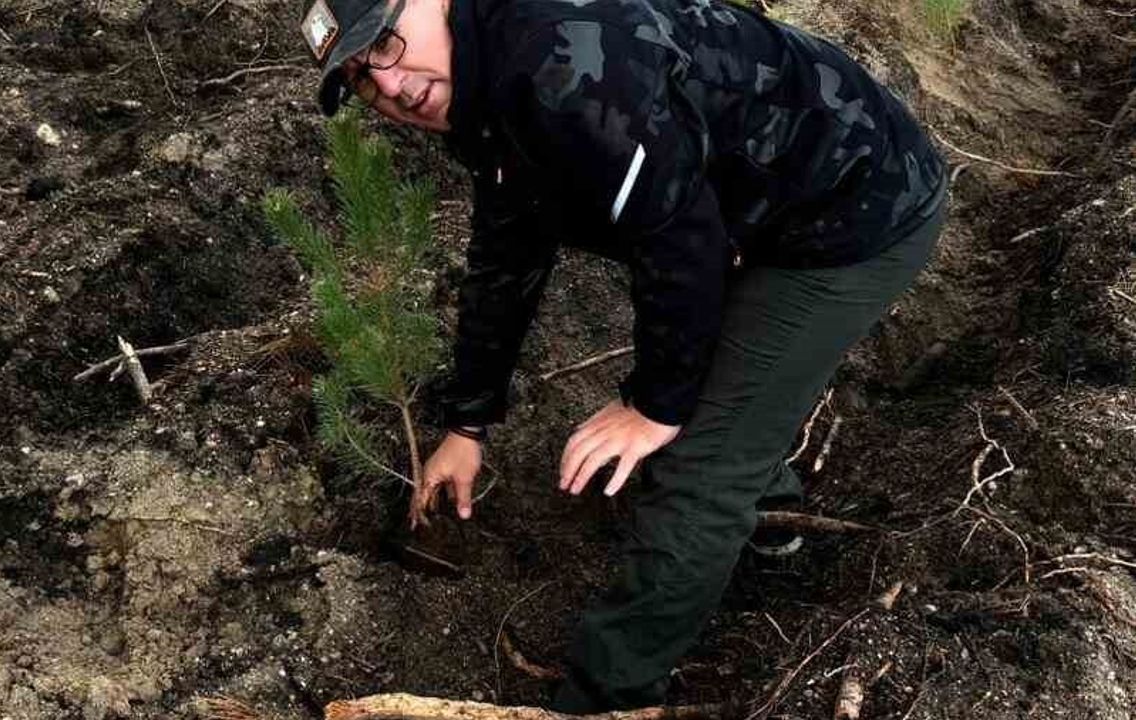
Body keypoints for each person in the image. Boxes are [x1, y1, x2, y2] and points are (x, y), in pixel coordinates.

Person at [298, 0, 947, 711]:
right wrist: (468, 423)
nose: (388, 86)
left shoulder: (564, 66)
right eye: (362, 80)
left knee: (696, 470)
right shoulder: (484, 78)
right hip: (754, 204)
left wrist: (653, 407)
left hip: (854, 206)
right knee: (705, 400)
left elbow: (680, 250)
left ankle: (609, 695)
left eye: (385, 45)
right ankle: (768, 517)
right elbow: (508, 250)